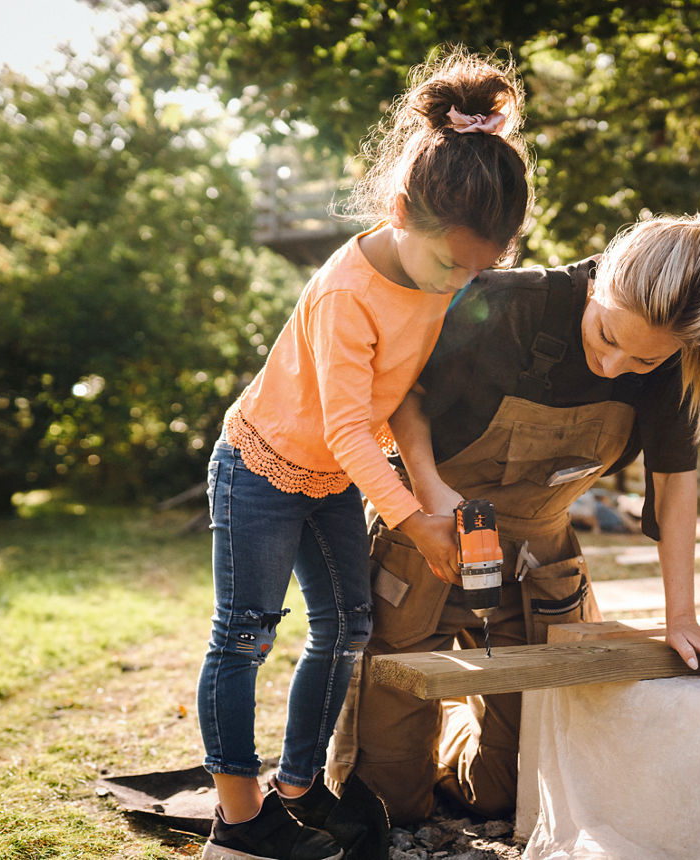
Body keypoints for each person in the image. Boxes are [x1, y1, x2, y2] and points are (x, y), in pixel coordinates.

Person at [327, 212, 700, 825]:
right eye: (607, 336)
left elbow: (674, 485)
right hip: (427, 538)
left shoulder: (672, 361)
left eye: (642, 363)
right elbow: (409, 396)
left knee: (514, 791)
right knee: (384, 802)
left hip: (541, 563)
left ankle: (455, 724)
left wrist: (683, 618)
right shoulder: (507, 305)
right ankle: (406, 747)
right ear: (601, 284)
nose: (615, 366)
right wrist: (430, 498)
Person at [197, 48, 531, 860]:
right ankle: (238, 823)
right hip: (262, 468)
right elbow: (349, 429)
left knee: (347, 627)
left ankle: (300, 788)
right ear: (398, 210)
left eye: (482, 267)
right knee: (245, 632)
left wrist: (431, 487)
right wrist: (416, 524)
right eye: (454, 263)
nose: (463, 283)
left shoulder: (438, 282)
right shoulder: (349, 291)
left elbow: (404, 401)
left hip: (336, 478)